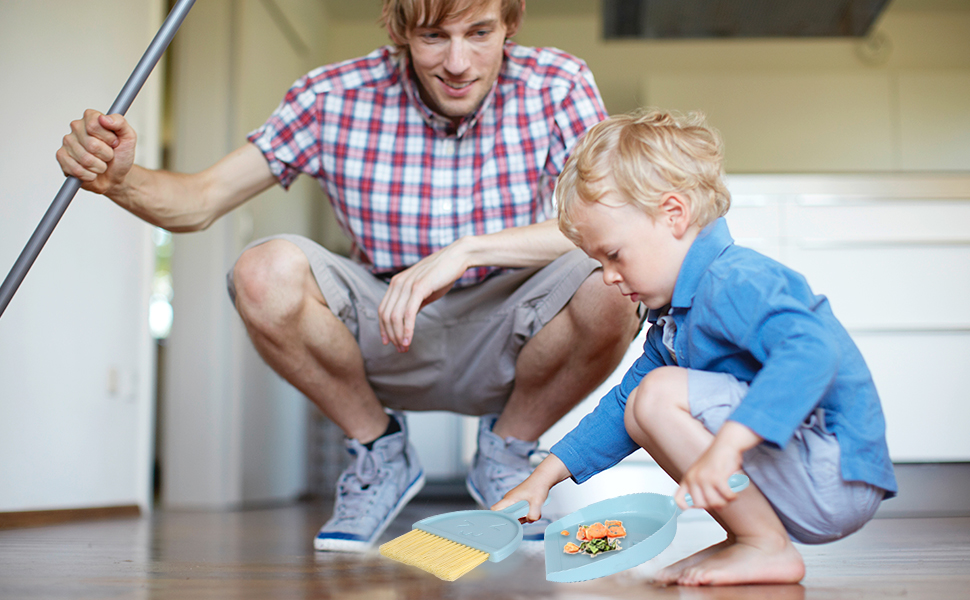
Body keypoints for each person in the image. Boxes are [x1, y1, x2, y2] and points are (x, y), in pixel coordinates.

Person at [56, 0, 643, 553]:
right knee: (262, 270)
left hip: (516, 328)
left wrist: (465, 251)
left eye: (479, 33)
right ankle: (378, 450)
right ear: (399, 32)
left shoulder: (559, 82)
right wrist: (121, 180)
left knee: (611, 277)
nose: (458, 63)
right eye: (434, 36)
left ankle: (509, 451)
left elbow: (612, 218)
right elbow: (201, 200)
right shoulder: (329, 95)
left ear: (510, 24)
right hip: (387, 326)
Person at [494, 109, 898, 586]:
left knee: (658, 393)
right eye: (597, 260)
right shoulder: (676, 318)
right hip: (802, 473)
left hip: (835, 471)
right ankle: (752, 536)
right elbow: (624, 405)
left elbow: (812, 353)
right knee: (641, 402)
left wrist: (729, 445)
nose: (607, 276)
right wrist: (543, 477)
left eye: (615, 254)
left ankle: (763, 544)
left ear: (674, 215)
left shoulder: (733, 279)